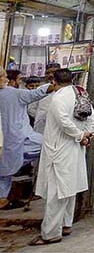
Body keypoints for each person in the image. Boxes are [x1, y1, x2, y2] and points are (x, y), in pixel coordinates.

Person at [29, 68, 94, 246]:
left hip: (60, 149)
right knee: (69, 187)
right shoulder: (80, 92)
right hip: (74, 148)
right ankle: (66, 224)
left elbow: (63, 122)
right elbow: (92, 116)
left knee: (57, 191)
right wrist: (87, 134)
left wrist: (81, 136)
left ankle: (50, 233)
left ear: (54, 82)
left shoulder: (58, 97)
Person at [0, 68, 52, 209]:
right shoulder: (12, 93)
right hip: (17, 139)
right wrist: (51, 86)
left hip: (8, 141)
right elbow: (35, 95)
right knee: (48, 145)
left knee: (4, 170)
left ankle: (3, 198)